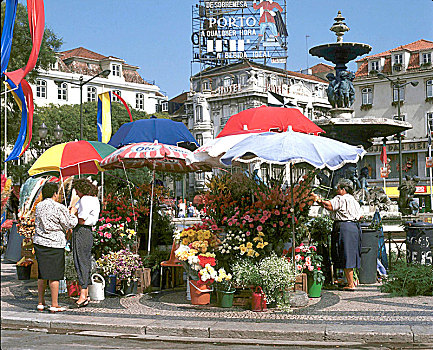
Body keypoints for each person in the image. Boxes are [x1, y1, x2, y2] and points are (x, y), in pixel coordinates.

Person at [33, 182, 78, 313]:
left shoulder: (39, 206)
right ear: (55, 193)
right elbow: (69, 223)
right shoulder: (59, 207)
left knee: (42, 274)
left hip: (40, 242)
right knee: (54, 274)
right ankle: (54, 304)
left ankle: (40, 303)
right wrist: (73, 213)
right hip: (55, 243)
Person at [314, 179, 362, 291]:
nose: (336, 191)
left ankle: (350, 284)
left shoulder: (341, 198)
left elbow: (329, 206)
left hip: (344, 227)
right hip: (354, 227)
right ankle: (349, 280)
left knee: (346, 254)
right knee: (351, 253)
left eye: (338, 188)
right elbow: (360, 216)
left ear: (343, 190)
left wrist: (318, 200)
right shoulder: (354, 201)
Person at [70, 179, 100, 307]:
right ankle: (85, 293)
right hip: (88, 232)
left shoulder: (84, 200)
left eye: (77, 189)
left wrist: (73, 213)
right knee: (85, 261)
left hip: (81, 231)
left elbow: (81, 219)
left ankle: (83, 294)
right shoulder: (94, 199)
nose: (76, 193)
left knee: (80, 261)